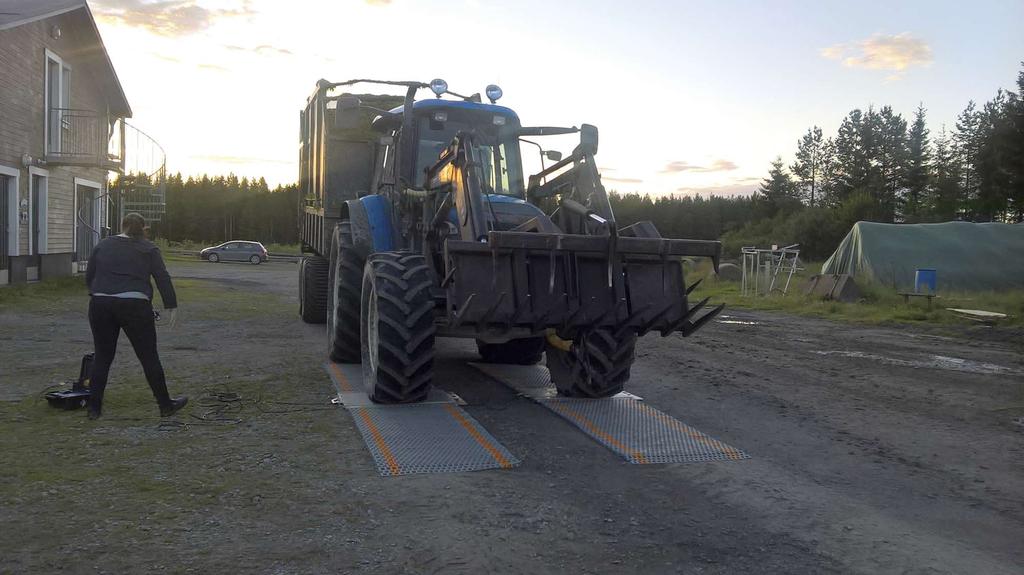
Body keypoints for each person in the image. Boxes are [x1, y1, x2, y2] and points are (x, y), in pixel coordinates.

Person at [84, 213, 187, 420]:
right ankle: (165, 405)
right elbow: (162, 277)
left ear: (122, 226)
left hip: (100, 303)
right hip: (135, 305)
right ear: (144, 229)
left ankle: (93, 409)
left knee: (102, 357)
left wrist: (97, 292)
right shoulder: (149, 248)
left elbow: (90, 274)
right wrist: (171, 305)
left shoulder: (103, 245)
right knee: (148, 356)